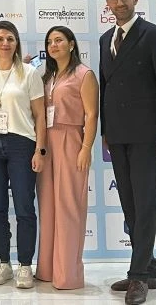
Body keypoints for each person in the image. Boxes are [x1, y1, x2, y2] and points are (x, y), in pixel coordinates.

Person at [100, 0, 156, 305]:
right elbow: (106, 87)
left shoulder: (155, 35)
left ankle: (139, 277)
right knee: (130, 205)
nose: (119, 3)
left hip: (148, 136)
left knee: (145, 205)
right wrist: (106, 131)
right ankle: (149, 266)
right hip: (118, 136)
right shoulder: (106, 39)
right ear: (107, 3)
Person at [0, 20, 46, 289]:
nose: (5, 43)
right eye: (0, 39)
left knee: (25, 208)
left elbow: (40, 116)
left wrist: (40, 150)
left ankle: (25, 265)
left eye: (10, 39)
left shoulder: (29, 73)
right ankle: (2, 263)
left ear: (16, 43)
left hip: (21, 144)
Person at [35, 26, 98, 290]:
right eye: (50, 41)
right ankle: (47, 270)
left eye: (59, 40)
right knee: (48, 207)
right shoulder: (46, 77)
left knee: (69, 207)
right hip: (46, 143)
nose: (54, 45)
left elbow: (91, 114)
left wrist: (86, 148)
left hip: (71, 140)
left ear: (71, 44)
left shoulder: (84, 74)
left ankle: (68, 275)